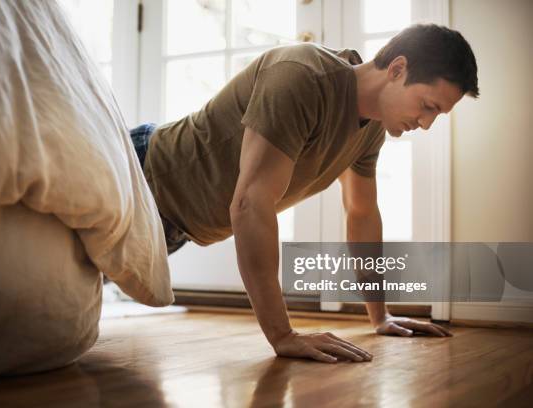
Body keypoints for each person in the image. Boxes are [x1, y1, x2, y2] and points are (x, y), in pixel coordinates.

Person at [131, 24, 479, 363]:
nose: (426, 123)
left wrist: (380, 316)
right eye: (428, 106)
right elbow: (250, 204)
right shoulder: (301, 76)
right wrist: (283, 335)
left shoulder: (371, 129)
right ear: (397, 69)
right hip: (141, 175)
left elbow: (361, 213)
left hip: (175, 226)